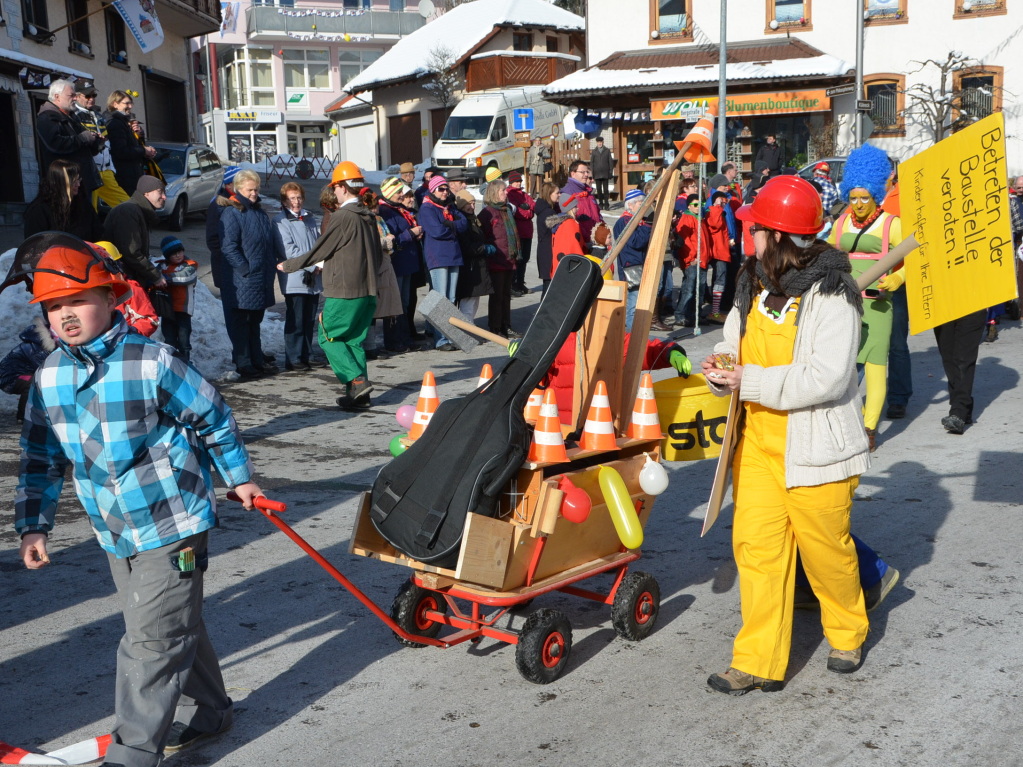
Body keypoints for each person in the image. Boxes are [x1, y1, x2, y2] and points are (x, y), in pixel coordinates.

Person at [12, 234, 264, 767]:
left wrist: (239, 477)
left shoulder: (152, 362)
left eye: (78, 301)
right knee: (169, 625)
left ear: (110, 298)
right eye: (55, 307)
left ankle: (131, 755)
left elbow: (212, 415)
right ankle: (214, 711)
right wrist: (34, 525)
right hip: (114, 529)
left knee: (149, 642)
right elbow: (39, 457)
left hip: (173, 521)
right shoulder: (49, 377)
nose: (67, 316)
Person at [702, 175, 871, 695]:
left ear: (776, 235)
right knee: (757, 549)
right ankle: (756, 659)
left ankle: (847, 632)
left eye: (754, 228)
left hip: (816, 446)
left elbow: (829, 377)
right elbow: (737, 339)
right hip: (757, 442)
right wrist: (723, 365)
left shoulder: (831, 290)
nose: (745, 234)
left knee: (825, 551)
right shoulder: (752, 280)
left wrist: (747, 379)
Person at [278, 161, 383, 410]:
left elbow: (319, 249)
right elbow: (378, 255)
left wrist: (290, 265)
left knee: (328, 337)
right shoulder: (367, 215)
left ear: (343, 188)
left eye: (335, 187)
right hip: (367, 291)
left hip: (345, 290)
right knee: (352, 340)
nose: (333, 192)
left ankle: (356, 381)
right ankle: (359, 393)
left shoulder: (343, 216)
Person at [827, 143, 904, 450]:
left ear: (876, 194)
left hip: (878, 303)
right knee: (844, 362)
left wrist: (898, 277)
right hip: (846, 301)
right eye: (854, 197)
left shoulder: (891, 224)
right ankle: (845, 418)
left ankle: (869, 427)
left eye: (865, 197)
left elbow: (914, 256)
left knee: (874, 365)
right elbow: (830, 253)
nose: (858, 203)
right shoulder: (843, 221)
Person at [219, 169, 279, 378]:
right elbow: (228, 247)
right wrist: (245, 268)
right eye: (250, 189)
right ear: (239, 189)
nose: (254, 193)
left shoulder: (259, 213)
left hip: (260, 277)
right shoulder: (232, 212)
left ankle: (256, 359)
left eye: (256, 189)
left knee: (254, 322)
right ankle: (244, 362)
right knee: (242, 323)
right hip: (243, 278)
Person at [273, 182, 322, 372]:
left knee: (309, 318)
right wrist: (312, 265)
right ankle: (293, 358)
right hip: (295, 277)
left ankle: (307, 354)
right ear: (285, 201)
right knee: (297, 319)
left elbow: (318, 244)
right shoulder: (280, 221)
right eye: (292, 198)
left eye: (299, 197)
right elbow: (289, 250)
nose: (297, 201)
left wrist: (319, 263)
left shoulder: (308, 217)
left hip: (313, 276)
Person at [418, 174, 468, 350]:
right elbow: (437, 231)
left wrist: (450, 225)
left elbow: (464, 224)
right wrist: (452, 227)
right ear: (432, 190)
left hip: (454, 255)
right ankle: (441, 339)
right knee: (441, 298)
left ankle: (436, 330)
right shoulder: (427, 209)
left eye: (446, 188)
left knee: (451, 297)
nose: (445, 192)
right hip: (438, 256)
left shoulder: (449, 207)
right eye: (441, 189)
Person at [35, 79, 104, 197]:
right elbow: (55, 144)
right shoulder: (47, 118)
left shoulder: (72, 117)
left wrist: (96, 141)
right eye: (71, 95)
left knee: (86, 214)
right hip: (64, 182)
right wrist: (83, 138)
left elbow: (84, 146)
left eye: (75, 95)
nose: (75, 98)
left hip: (81, 180)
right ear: (57, 96)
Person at [377, 176, 422, 352]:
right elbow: (393, 239)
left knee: (405, 302)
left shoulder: (397, 209)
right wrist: (410, 233)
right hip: (398, 264)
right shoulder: (385, 211)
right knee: (396, 304)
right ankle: (394, 341)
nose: (401, 196)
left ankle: (404, 338)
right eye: (398, 193)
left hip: (407, 263)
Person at [102, 175, 168, 289]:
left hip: (128, 277)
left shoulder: (139, 211)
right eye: (160, 192)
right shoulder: (128, 211)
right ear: (146, 193)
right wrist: (155, 276)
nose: (164, 197)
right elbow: (131, 253)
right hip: (123, 280)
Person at [448, 169, 493, 326]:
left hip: (477, 267)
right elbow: (467, 246)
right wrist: (484, 248)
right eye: (469, 204)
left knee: (474, 301)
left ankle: (470, 327)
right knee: (467, 301)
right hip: (469, 267)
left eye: (473, 203)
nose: (472, 206)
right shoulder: (463, 222)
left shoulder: (473, 219)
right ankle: (467, 329)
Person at [74, 86, 129, 211]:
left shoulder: (97, 115)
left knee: (127, 204)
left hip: (105, 171)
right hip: (88, 171)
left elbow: (107, 144)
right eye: (88, 96)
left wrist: (111, 168)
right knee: (90, 211)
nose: (91, 99)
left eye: (94, 96)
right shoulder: (74, 116)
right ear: (76, 96)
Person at [478, 179, 520, 340]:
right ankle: (495, 327)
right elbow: (481, 235)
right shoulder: (488, 212)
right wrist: (490, 249)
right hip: (496, 260)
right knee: (497, 297)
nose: (506, 193)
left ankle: (506, 325)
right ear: (494, 193)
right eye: (503, 190)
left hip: (509, 259)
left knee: (506, 295)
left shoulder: (506, 210)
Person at [23, 159, 102, 241]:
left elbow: (98, 235)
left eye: (79, 180)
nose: (78, 184)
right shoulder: (39, 210)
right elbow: (33, 245)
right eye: (73, 181)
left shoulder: (83, 206)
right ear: (60, 183)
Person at [613, 189, 654, 332]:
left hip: (636, 265)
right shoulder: (625, 221)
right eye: (640, 202)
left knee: (637, 304)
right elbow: (636, 242)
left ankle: (635, 336)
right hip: (631, 267)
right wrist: (648, 226)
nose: (643, 205)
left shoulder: (634, 220)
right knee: (632, 306)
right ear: (630, 205)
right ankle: (631, 339)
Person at [155, 236, 198, 362]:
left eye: (180, 252)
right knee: (169, 340)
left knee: (184, 340)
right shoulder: (161, 266)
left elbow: (186, 277)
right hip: (167, 310)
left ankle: (185, 363)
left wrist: (164, 279)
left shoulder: (189, 265)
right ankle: (172, 364)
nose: (178, 255)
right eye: (174, 254)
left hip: (183, 309)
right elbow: (154, 277)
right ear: (167, 256)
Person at [105, 90, 155, 195]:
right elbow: (121, 151)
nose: (130, 106)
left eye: (131, 103)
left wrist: (139, 137)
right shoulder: (115, 123)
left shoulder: (123, 122)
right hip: (124, 177)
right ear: (115, 104)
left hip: (132, 175)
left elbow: (131, 146)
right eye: (127, 103)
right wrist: (143, 151)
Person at [673, 193, 711, 328]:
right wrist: (690, 258)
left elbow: (705, 241)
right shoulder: (687, 218)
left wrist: (707, 256)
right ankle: (680, 315)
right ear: (689, 206)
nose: (698, 207)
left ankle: (695, 315)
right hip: (693, 260)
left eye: (700, 204)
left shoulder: (700, 219)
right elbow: (684, 241)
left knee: (699, 289)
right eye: (695, 204)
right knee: (689, 289)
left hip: (702, 260)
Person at [705, 191, 736, 323]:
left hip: (722, 249)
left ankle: (715, 311)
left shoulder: (718, 212)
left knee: (720, 280)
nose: (725, 203)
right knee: (719, 280)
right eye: (724, 200)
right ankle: (714, 312)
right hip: (718, 252)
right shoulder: (713, 211)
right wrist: (717, 207)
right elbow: (715, 225)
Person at [560, 159, 604, 247]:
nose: (586, 175)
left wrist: (603, 230)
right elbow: (568, 222)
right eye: (582, 172)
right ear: (573, 174)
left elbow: (597, 215)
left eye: (587, 172)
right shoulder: (567, 193)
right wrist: (584, 238)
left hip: (594, 240)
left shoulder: (588, 191)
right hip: (581, 242)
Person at [506, 171, 535, 296]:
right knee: (518, 259)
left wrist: (527, 210)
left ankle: (520, 283)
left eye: (519, 181)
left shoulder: (524, 194)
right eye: (516, 181)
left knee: (525, 258)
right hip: (518, 231)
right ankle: (513, 284)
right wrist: (527, 212)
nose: (518, 183)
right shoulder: (510, 194)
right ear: (511, 182)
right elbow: (516, 211)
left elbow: (533, 206)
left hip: (527, 231)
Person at [534, 182, 560, 297]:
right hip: (548, 252)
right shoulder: (548, 213)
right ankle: (543, 314)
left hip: (544, 250)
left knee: (548, 286)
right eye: (557, 193)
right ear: (549, 194)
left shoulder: (546, 209)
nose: (559, 195)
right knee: (549, 288)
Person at [590, 136, 614, 209]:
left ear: (603, 142)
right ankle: (600, 203)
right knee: (599, 190)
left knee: (606, 190)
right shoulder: (594, 151)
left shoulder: (607, 151)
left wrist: (610, 172)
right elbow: (592, 163)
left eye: (601, 142)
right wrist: (592, 175)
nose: (599, 143)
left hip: (605, 173)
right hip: (597, 173)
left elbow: (610, 162)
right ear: (596, 143)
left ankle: (606, 204)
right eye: (598, 142)